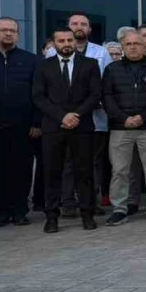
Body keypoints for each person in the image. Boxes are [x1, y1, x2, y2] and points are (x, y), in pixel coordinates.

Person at [32, 27, 102, 233]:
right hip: (53, 127)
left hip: (82, 126)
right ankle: (51, 217)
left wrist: (76, 115)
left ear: (74, 41)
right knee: (52, 172)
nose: (66, 44)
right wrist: (62, 116)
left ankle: (87, 214)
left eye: (69, 40)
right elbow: (38, 97)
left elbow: (95, 94)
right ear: (54, 43)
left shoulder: (90, 64)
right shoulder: (43, 66)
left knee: (84, 172)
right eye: (61, 41)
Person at [102, 29, 146, 226]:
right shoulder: (112, 69)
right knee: (120, 170)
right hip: (120, 128)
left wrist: (143, 117)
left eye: (137, 43)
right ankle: (119, 209)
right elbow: (106, 96)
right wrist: (123, 118)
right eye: (129, 44)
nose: (133, 47)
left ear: (144, 46)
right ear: (123, 47)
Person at [0, 17, 39, 226]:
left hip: (23, 126)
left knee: (21, 170)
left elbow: (38, 94)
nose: (8, 34)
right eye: (4, 30)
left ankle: (20, 210)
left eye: (12, 30)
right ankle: (1, 211)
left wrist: (37, 123)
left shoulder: (31, 60)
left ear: (18, 35)